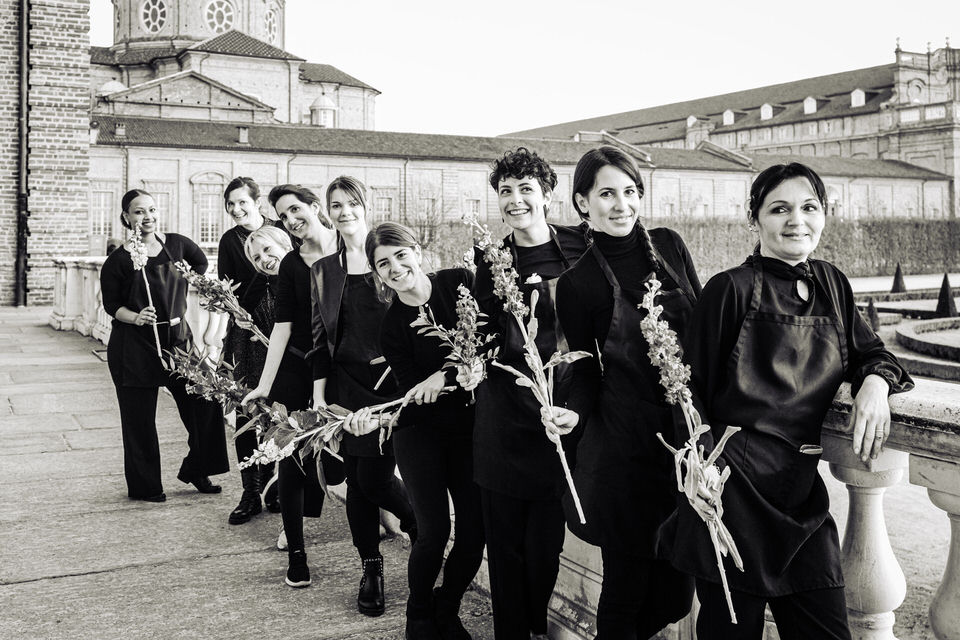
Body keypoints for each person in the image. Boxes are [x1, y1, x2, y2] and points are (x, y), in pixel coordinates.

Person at [658, 163, 914, 640]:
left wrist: (876, 385)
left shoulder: (832, 284)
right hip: (730, 496)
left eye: (809, 207)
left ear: (824, 214)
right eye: (780, 209)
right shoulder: (729, 289)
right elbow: (688, 398)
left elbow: (874, 352)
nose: (797, 220)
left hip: (800, 497)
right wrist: (702, 477)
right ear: (753, 218)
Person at [543, 146, 701, 639]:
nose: (621, 204)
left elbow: (703, 330)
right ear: (582, 202)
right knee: (626, 587)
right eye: (607, 194)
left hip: (684, 441)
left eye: (630, 191)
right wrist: (573, 412)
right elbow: (586, 369)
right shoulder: (577, 283)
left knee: (676, 593)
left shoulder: (669, 245)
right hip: (624, 448)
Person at [472, 147, 588, 640]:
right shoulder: (491, 259)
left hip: (559, 416)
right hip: (503, 418)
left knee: (544, 547)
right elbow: (482, 335)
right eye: (506, 191)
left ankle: (534, 627)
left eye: (526, 189)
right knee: (504, 549)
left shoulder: (582, 246)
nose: (516, 199)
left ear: (547, 195)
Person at [367, 221, 485, 640]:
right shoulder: (392, 326)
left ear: (416, 251)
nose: (395, 267)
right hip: (420, 433)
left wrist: (445, 375)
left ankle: (446, 607)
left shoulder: (460, 283)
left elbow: (489, 342)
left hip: (470, 432)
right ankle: (417, 614)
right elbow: (411, 392)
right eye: (383, 263)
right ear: (377, 274)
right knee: (434, 532)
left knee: (475, 532)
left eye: (400, 255)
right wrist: (439, 380)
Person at [309, 176, 418, 617]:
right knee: (356, 480)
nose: (344, 211)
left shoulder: (389, 258)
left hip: (389, 387)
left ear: (365, 205)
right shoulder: (323, 270)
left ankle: (418, 522)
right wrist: (319, 396)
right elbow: (319, 339)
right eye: (336, 205)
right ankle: (371, 569)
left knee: (371, 479)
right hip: (345, 389)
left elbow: (417, 312)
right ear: (328, 212)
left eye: (351, 202)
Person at [240, 184, 342, 588]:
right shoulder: (292, 266)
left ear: (315, 207)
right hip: (296, 369)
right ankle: (297, 554)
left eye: (295, 209)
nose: (291, 219)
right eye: (283, 215)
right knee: (292, 461)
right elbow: (281, 328)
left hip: (343, 369)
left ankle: (405, 518)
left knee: (348, 465)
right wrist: (264, 385)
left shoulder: (348, 247)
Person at [100, 188, 229, 502]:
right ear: (126, 217)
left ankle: (198, 467)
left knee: (207, 401)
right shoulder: (117, 261)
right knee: (139, 421)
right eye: (139, 211)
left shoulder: (177, 245)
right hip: (134, 346)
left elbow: (200, 264)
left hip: (178, 341)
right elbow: (111, 305)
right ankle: (145, 487)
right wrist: (135, 316)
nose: (148, 217)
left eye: (152, 209)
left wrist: (185, 286)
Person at [217, 176, 282, 524]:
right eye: (230, 204)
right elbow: (229, 293)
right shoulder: (230, 241)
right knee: (245, 410)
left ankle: (272, 484)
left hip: (281, 327)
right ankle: (250, 492)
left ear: (257, 202)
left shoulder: (279, 229)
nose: (236, 209)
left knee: (277, 409)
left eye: (242, 201)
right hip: (246, 331)